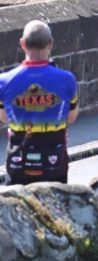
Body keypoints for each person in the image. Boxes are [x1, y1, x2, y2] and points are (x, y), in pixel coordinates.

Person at [0, 21, 78, 185]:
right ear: (50, 44)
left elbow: (4, 117)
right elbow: (70, 117)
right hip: (54, 162)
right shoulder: (67, 80)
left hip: (18, 161)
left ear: (22, 44)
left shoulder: (4, 81)